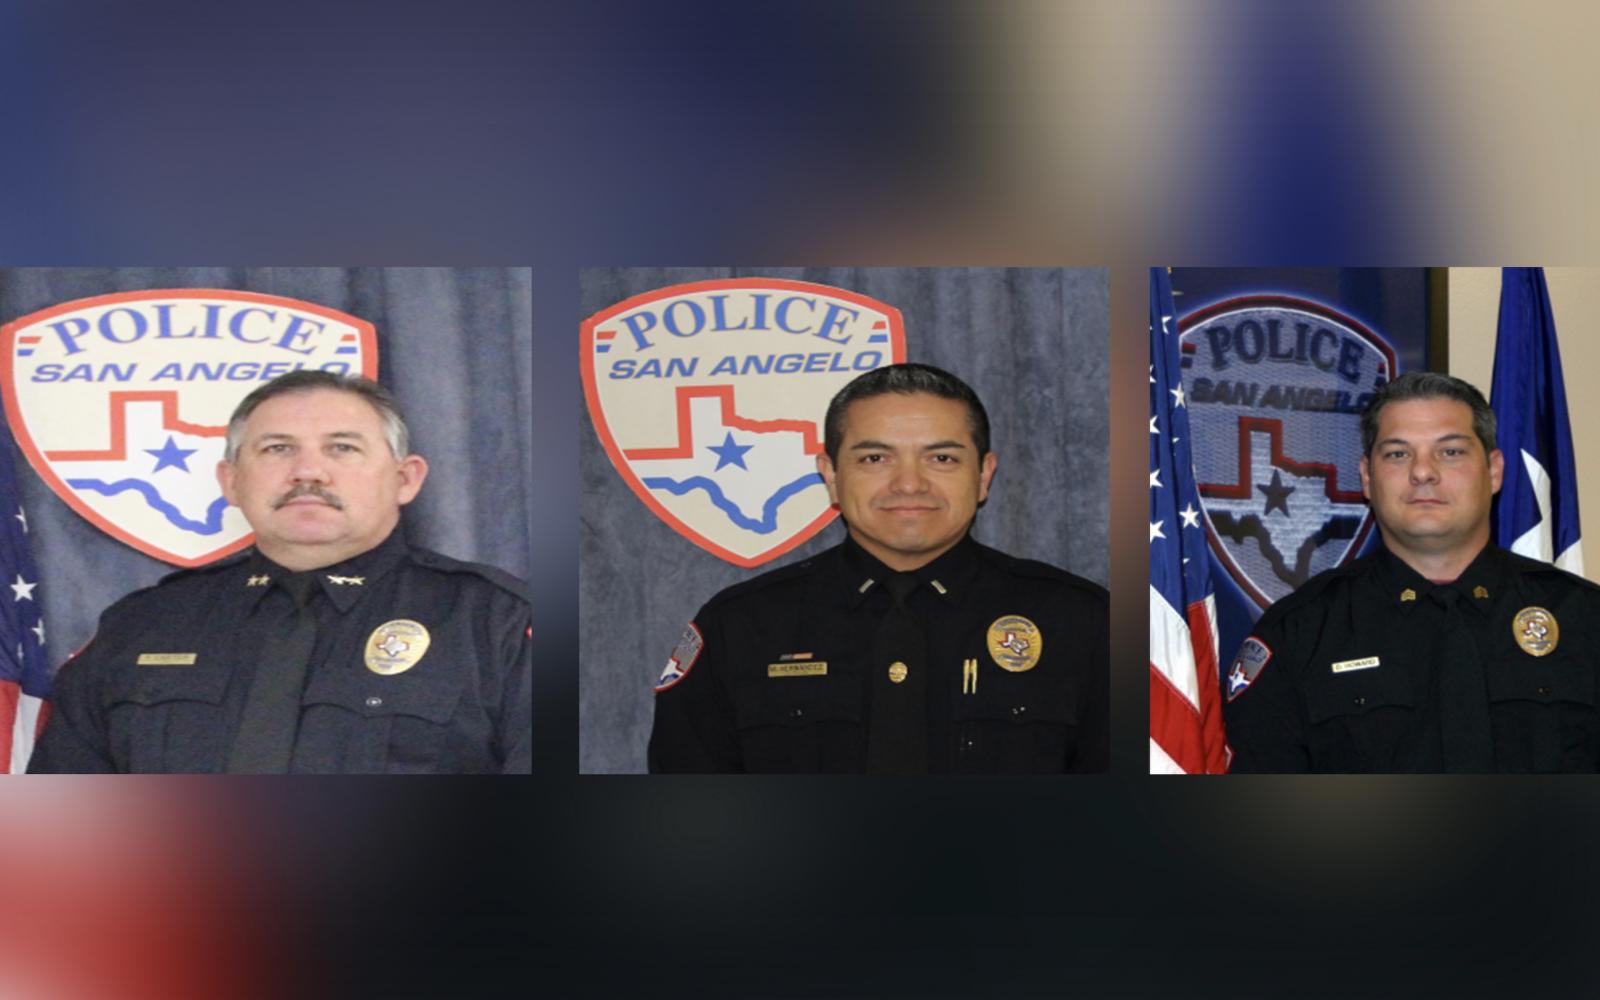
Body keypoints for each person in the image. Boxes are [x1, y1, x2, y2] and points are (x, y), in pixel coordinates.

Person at [30, 370, 531, 774]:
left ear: (405, 479)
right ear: (231, 481)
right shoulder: (140, 628)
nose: (308, 471)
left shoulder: (495, 625)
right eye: (277, 448)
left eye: (342, 447)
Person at [648, 363, 1108, 773]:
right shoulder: (741, 627)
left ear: (984, 475)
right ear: (829, 473)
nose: (909, 483)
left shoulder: (1083, 621)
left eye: (942, 458)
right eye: (875, 458)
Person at [1224, 371, 1600, 773]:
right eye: (1398, 454)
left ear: (1494, 471)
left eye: (1450, 452)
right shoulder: (1297, 634)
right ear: (1367, 477)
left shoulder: (1585, 619)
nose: (1423, 472)